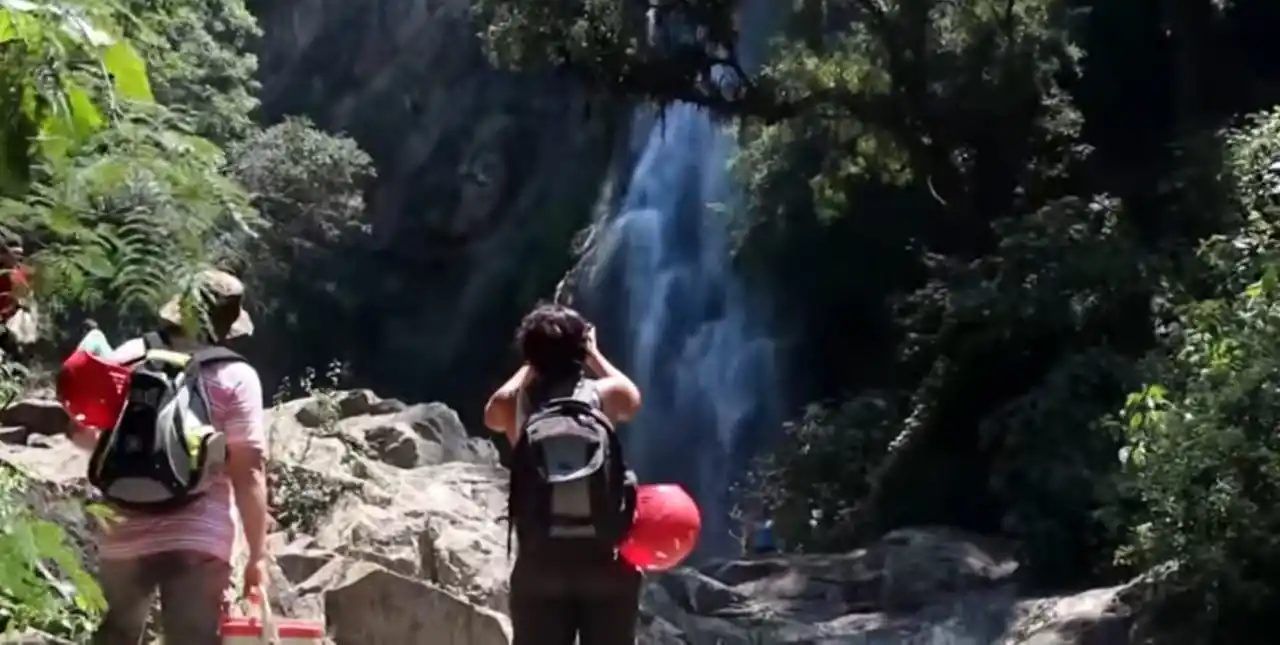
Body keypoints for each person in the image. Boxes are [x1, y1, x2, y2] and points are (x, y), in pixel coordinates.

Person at [64, 269, 269, 645]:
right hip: (199, 538)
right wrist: (258, 556)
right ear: (226, 324)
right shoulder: (236, 376)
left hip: (123, 531)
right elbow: (249, 470)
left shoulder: (128, 356)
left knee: (116, 636)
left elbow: (82, 433)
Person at [484, 304, 644, 645]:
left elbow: (491, 413)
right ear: (581, 348)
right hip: (603, 563)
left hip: (540, 564)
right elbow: (632, 398)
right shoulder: (605, 396)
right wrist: (594, 353)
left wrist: (530, 363)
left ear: (529, 353)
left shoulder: (516, 405)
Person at [0, 240, 33, 360]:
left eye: (20, 254)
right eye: (15, 253)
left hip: (16, 321)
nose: (18, 257)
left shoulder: (23, 272)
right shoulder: (3, 273)